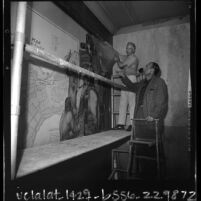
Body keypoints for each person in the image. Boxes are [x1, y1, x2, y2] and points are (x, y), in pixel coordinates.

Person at [118, 62, 168, 179]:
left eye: (147, 66)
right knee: (140, 151)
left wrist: (154, 115)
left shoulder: (159, 82)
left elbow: (162, 103)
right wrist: (123, 76)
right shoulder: (142, 83)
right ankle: (142, 176)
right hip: (139, 119)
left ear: (152, 69)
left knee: (152, 153)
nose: (144, 68)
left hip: (151, 121)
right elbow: (131, 86)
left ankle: (154, 178)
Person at [114, 42, 139, 131]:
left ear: (133, 49)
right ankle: (121, 123)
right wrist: (118, 57)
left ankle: (132, 124)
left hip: (131, 79)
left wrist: (117, 59)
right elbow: (122, 63)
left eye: (129, 48)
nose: (127, 49)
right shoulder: (128, 58)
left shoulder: (133, 58)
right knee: (123, 102)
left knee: (132, 103)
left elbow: (121, 65)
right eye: (127, 48)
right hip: (125, 79)